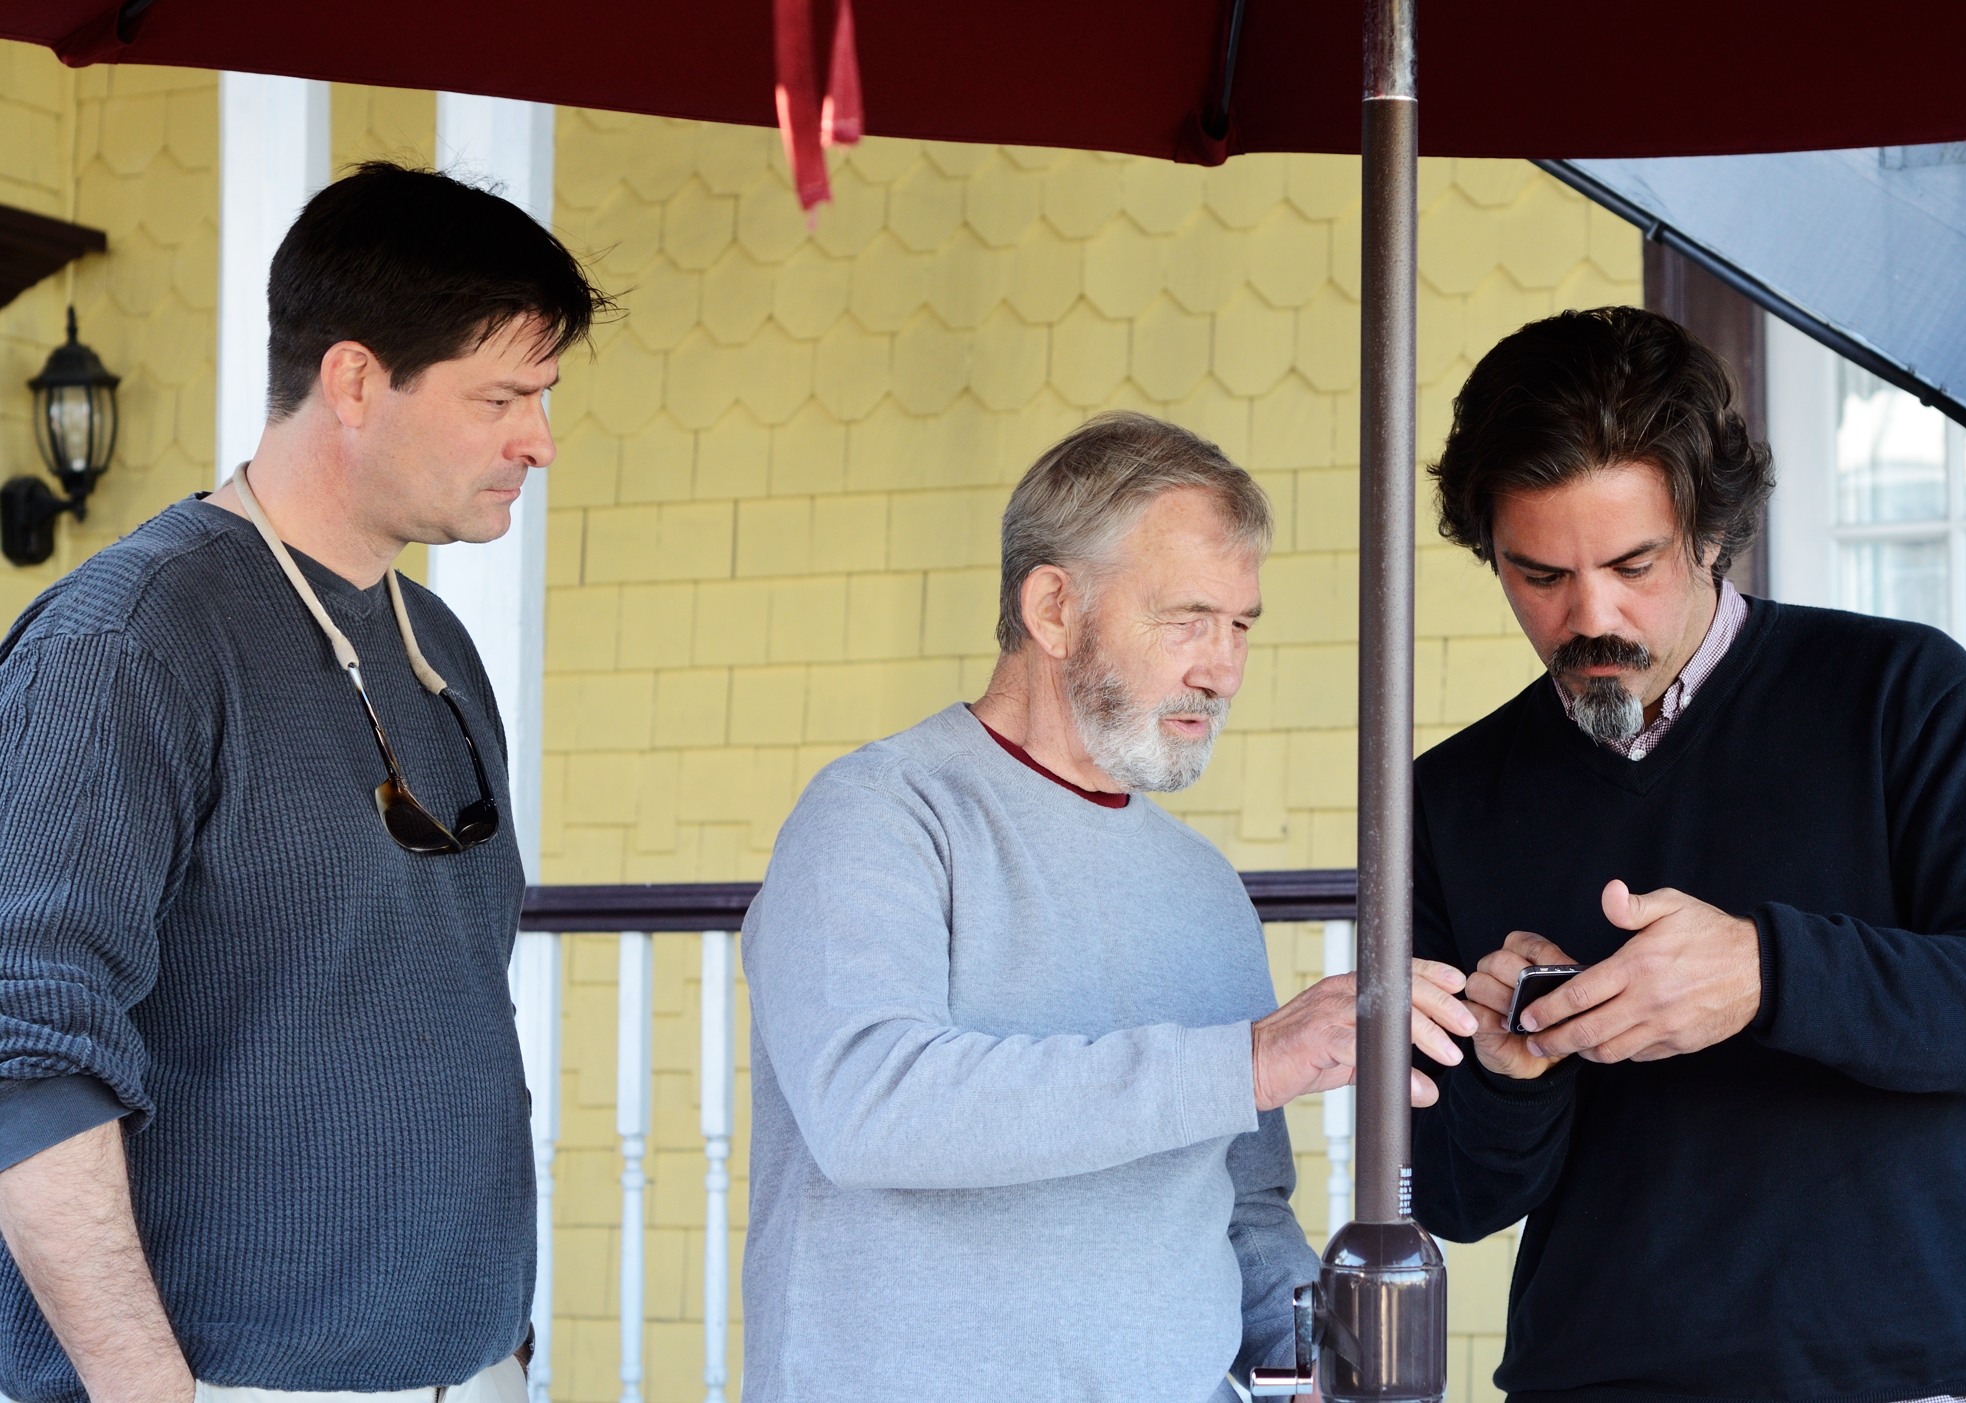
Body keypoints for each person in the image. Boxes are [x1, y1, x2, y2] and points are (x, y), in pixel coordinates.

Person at [1410, 306, 1966, 1402]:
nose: (1589, 616)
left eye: (1633, 562)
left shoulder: (1901, 693)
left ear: (1710, 529)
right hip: (1595, 1381)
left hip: (1905, 1378)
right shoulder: (1447, 798)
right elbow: (1453, 1200)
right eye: (1538, 575)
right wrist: (1509, 1082)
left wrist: (1767, 972)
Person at [0, 162, 611, 1403]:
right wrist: (145, 1387)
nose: (538, 441)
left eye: (542, 397)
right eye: (501, 397)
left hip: (468, 1370)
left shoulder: (440, 651)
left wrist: (498, 1341)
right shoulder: (132, 640)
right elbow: (25, 1045)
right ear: (354, 379)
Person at [740, 411, 1479, 1403]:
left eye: (1241, 625)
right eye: (1186, 618)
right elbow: (871, 1107)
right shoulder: (879, 813)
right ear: (1052, 608)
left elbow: (1241, 1209)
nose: (1221, 667)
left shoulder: (1206, 888)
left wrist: (1318, 1356)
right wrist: (1248, 1060)